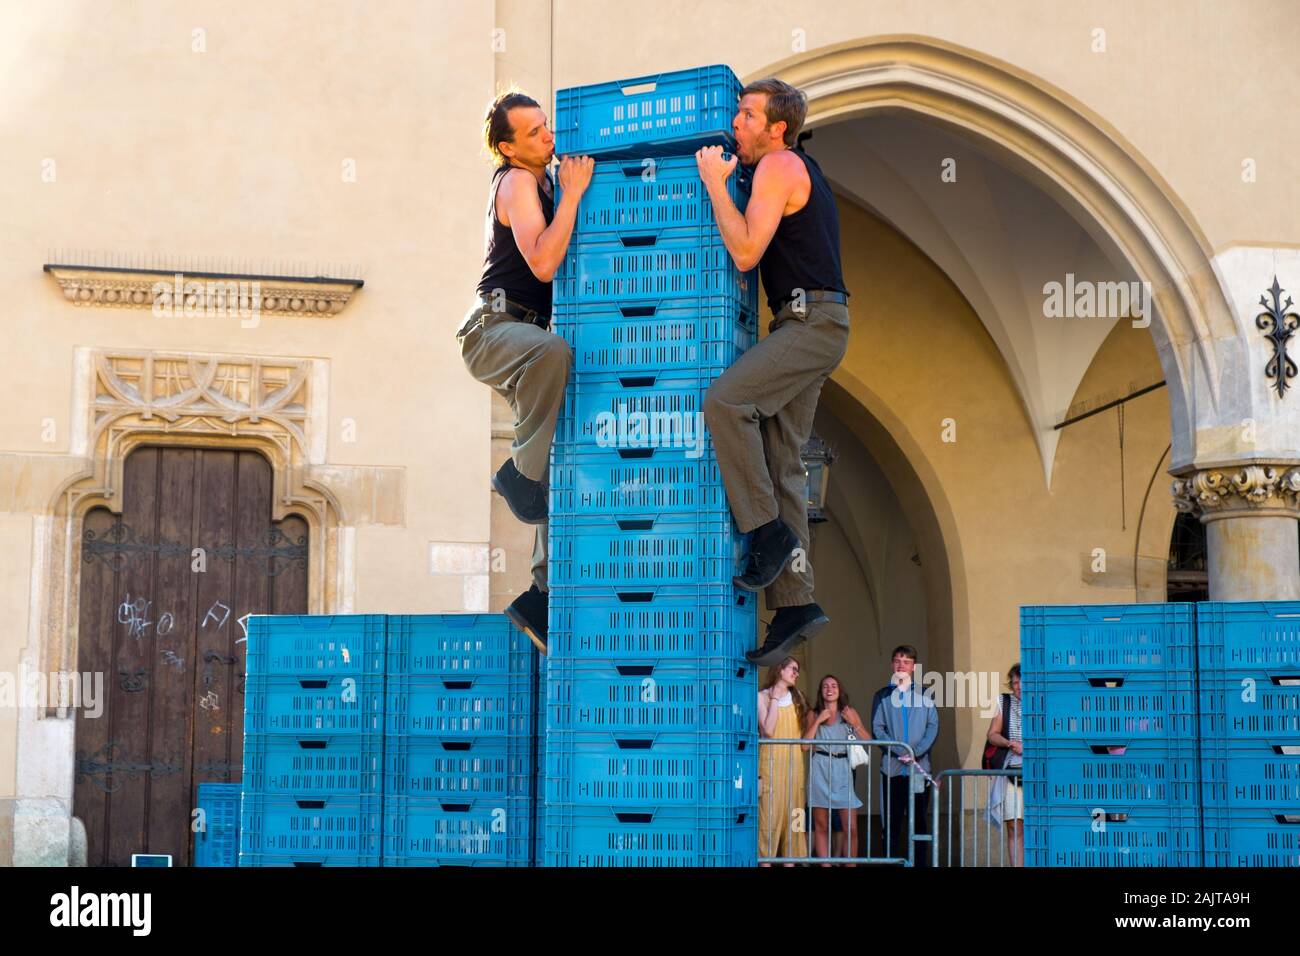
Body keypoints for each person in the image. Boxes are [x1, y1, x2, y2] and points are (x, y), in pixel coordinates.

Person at [695, 78, 852, 666]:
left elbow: (744, 252)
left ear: (777, 127)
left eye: (747, 114)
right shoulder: (792, 165)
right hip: (810, 323)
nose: (736, 123)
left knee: (725, 404)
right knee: (784, 462)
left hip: (810, 324)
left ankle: (763, 531)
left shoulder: (780, 165)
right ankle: (795, 603)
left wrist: (715, 185)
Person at [456, 89, 593, 653]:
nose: (548, 136)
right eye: (534, 133)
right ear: (508, 148)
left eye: (546, 125)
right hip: (495, 332)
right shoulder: (516, 182)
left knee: (554, 464)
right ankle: (516, 475)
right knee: (556, 352)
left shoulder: (542, 179)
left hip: (524, 336)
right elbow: (541, 259)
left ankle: (540, 592)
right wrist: (576, 194)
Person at [870, 645, 939, 866]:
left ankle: (918, 863)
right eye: (898, 660)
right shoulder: (882, 695)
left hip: (919, 771)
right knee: (892, 823)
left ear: (914, 667)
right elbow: (878, 729)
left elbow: (933, 726)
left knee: (919, 821)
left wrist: (916, 754)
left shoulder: (925, 694)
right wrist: (900, 751)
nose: (901, 665)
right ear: (892, 664)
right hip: (892, 770)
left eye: (906, 661)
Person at [803, 674, 870, 866]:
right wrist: (818, 721)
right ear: (820, 692)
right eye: (825, 686)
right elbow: (805, 746)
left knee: (851, 827)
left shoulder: (849, 712)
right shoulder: (814, 714)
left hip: (842, 769)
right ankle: (826, 864)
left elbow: (868, 740)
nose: (829, 688)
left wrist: (854, 723)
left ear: (840, 691)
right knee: (821, 825)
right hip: (820, 767)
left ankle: (850, 864)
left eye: (833, 685)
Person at [757, 656, 810, 866]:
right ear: (780, 670)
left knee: (794, 829)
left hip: (795, 773)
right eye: (793, 669)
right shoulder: (761, 697)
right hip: (770, 771)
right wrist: (775, 699)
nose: (797, 673)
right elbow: (768, 730)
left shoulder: (799, 698)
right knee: (767, 826)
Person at [985, 663, 1024, 866]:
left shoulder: (1045, 701)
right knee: (1014, 825)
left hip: (1041, 771)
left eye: (1022, 681)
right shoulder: (1004, 701)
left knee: (1039, 825)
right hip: (1012, 770)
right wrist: (1009, 743)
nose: (1018, 686)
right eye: (1015, 683)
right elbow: (992, 734)